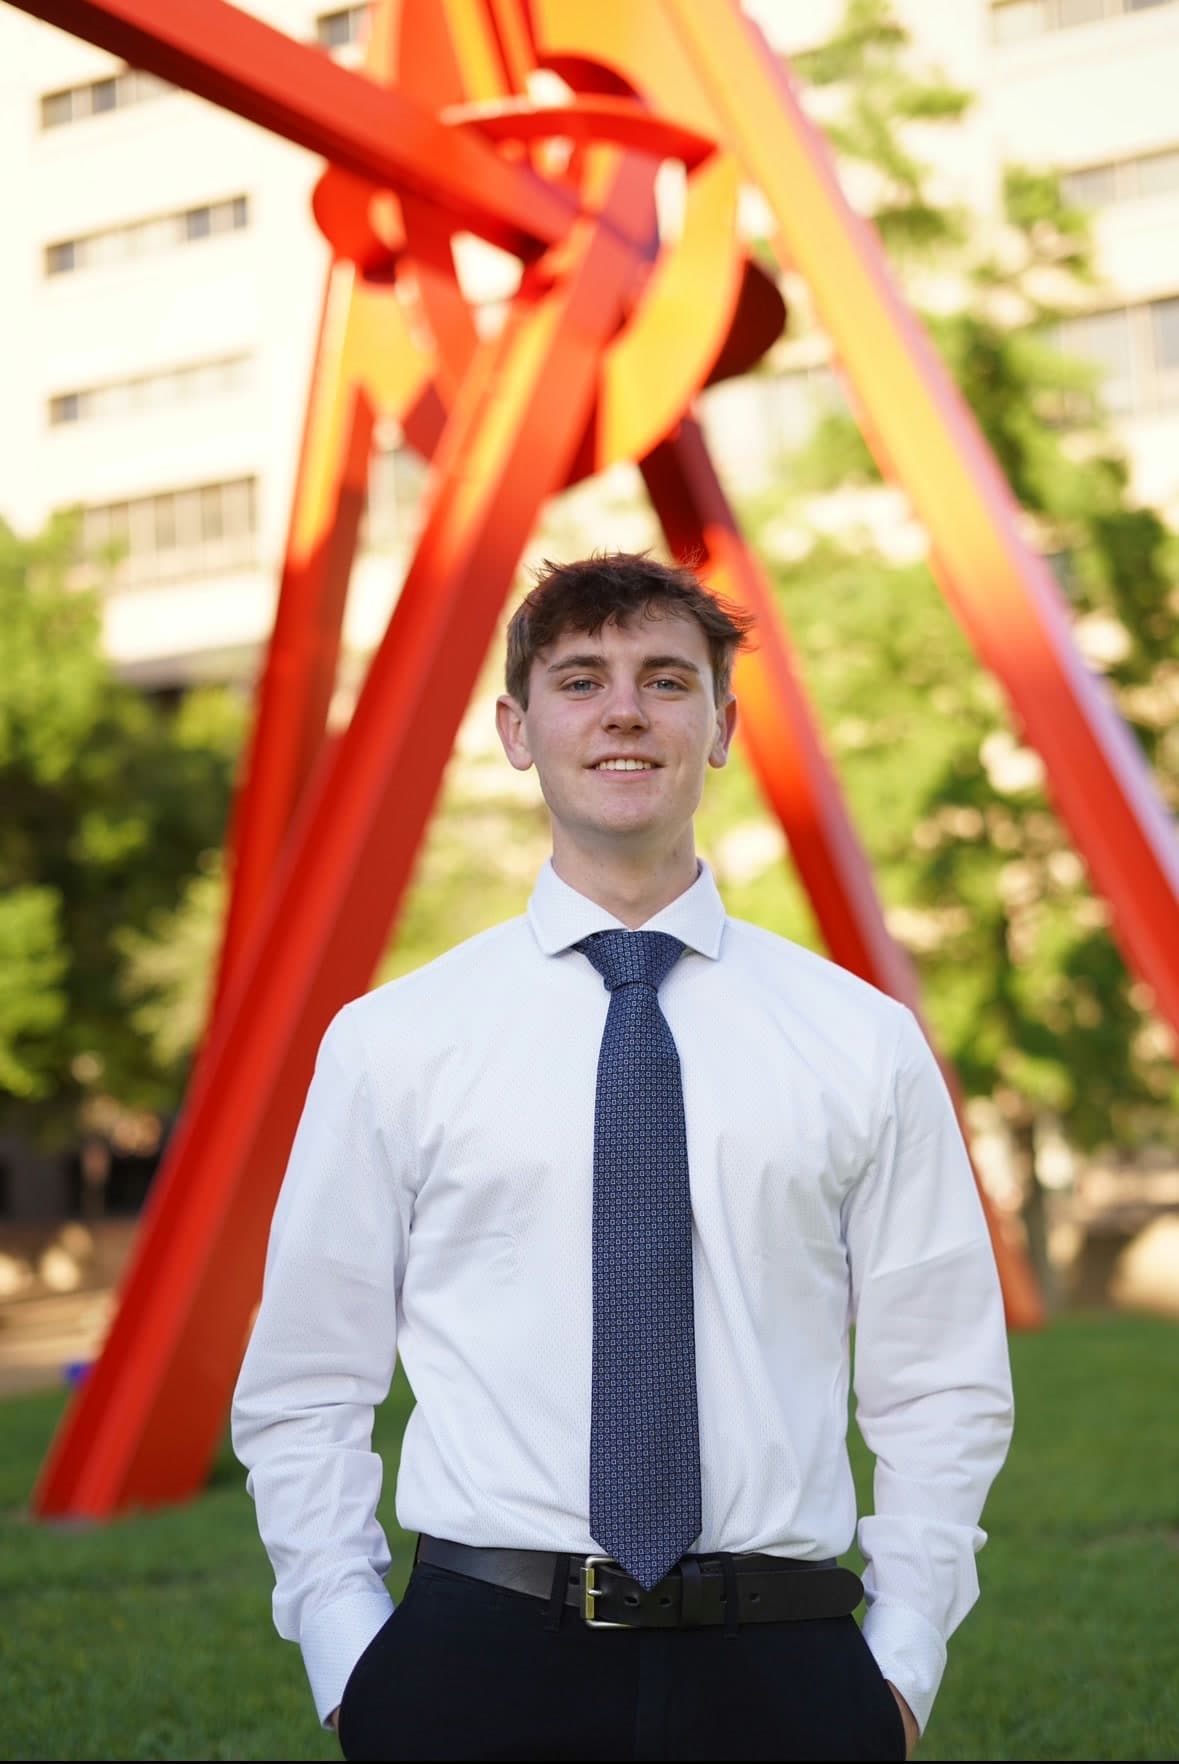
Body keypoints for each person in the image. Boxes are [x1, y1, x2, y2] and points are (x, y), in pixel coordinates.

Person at [232, 551, 1014, 1762]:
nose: (625, 712)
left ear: (722, 727)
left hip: (787, 1666)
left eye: (666, 680)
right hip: (475, 1662)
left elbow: (941, 1377)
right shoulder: (392, 1044)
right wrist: (351, 1655)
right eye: (581, 679)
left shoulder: (862, 1040)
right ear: (517, 729)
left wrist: (901, 1662)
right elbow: (307, 1382)